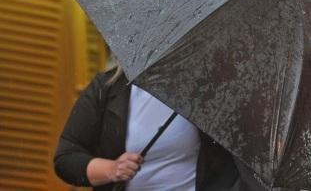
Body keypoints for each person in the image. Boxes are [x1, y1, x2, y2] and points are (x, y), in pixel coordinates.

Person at [54, 66, 262, 191]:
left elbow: (249, 157)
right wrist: (112, 169)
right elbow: (67, 157)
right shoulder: (108, 87)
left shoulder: (212, 89)